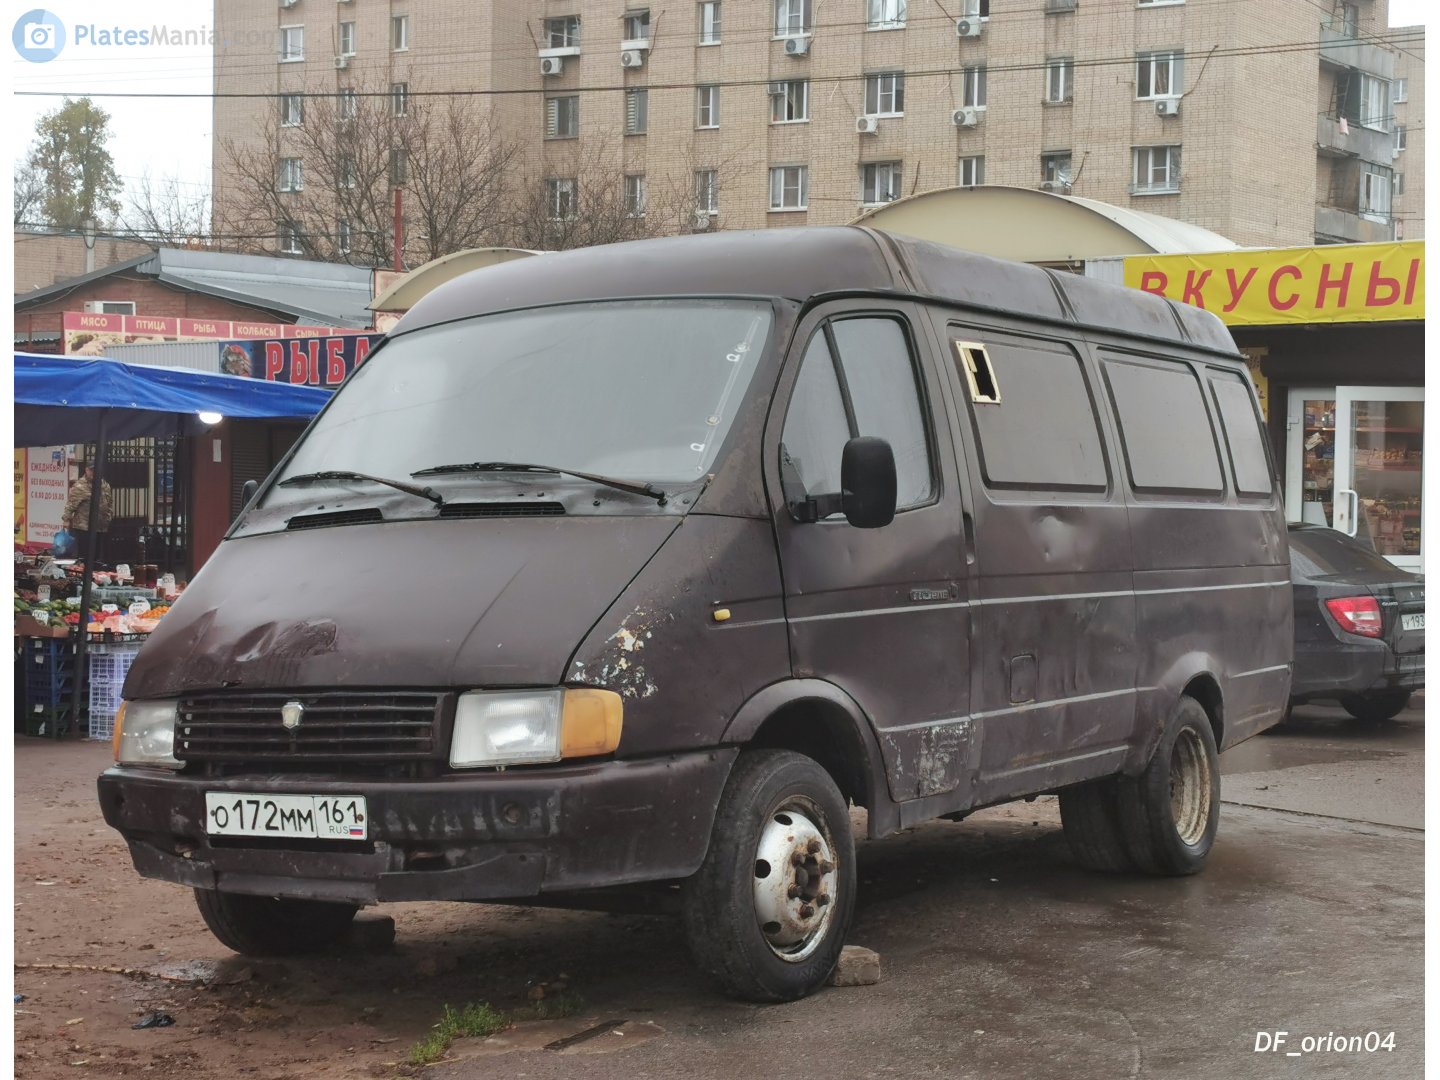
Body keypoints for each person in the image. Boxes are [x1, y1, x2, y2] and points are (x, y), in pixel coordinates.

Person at [62, 463, 113, 565]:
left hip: (100, 526)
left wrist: (109, 516)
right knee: (85, 555)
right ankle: (83, 575)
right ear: (86, 470)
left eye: (95, 470)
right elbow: (71, 504)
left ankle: (94, 574)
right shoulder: (80, 486)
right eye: (91, 470)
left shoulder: (104, 485)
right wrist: (66, 519)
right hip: (84, 526)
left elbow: (109, 502)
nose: (93, 472)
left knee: (97, 557)